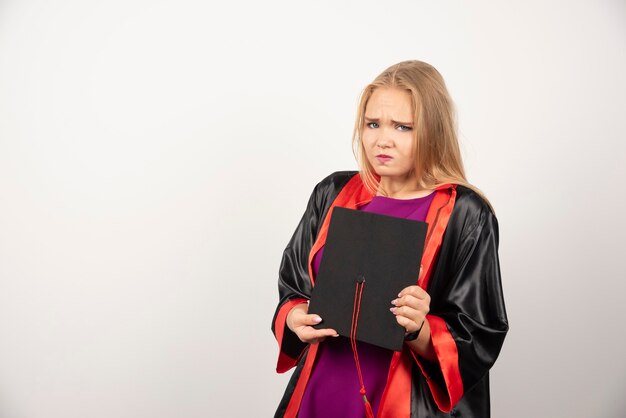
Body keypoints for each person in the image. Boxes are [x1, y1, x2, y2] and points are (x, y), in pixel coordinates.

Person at [271, 60, 509, 418]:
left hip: (399, 399)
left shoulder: (464, 213)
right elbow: (293, 285)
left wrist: (421, 329)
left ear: (433, 131)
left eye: (403, 127)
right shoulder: (333, 192)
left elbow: (480, 331)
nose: (383, 139)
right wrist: (294, 317)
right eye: (373, 124)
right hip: (322, 390)